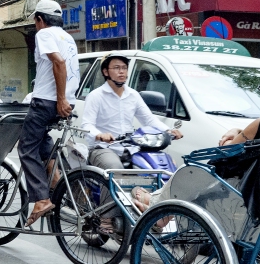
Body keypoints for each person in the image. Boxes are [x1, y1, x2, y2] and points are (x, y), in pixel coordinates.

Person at [18, 0, 79, 226]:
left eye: (35, 21)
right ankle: (54, 181)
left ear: (40, 20)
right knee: (40, 140)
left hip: (47, 101)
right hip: (63, 102)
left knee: (25, 148)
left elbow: (59, 63)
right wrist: (64, 100)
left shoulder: (44, 34)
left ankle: (41, 198)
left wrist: (60, 98)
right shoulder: (68, 37)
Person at [132, 118, 260, 213]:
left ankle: (157, 207)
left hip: (241, 190)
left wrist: (235, 133)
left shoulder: (258, 124)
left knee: (188, 172)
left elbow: (228, 150)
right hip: (253, 199)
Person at [82, 54, 183, 171]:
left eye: (124, 68)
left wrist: (168, 131)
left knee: (157, 167)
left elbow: (148, 120)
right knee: (115, 170)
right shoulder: (96, 96)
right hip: (103, 148)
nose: (121, 72)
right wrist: (99, 135)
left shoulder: (133, 95)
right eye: (116, 68)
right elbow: (87, 125)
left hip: (131, 148)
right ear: (105, 72)